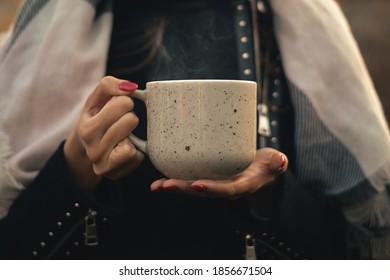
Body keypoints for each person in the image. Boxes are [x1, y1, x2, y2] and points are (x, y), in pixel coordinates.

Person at [0, 0, 389, 260]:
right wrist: (75, 168)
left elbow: (353, 251)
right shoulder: (55, 25)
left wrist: (270, 195)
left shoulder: (294, 20)